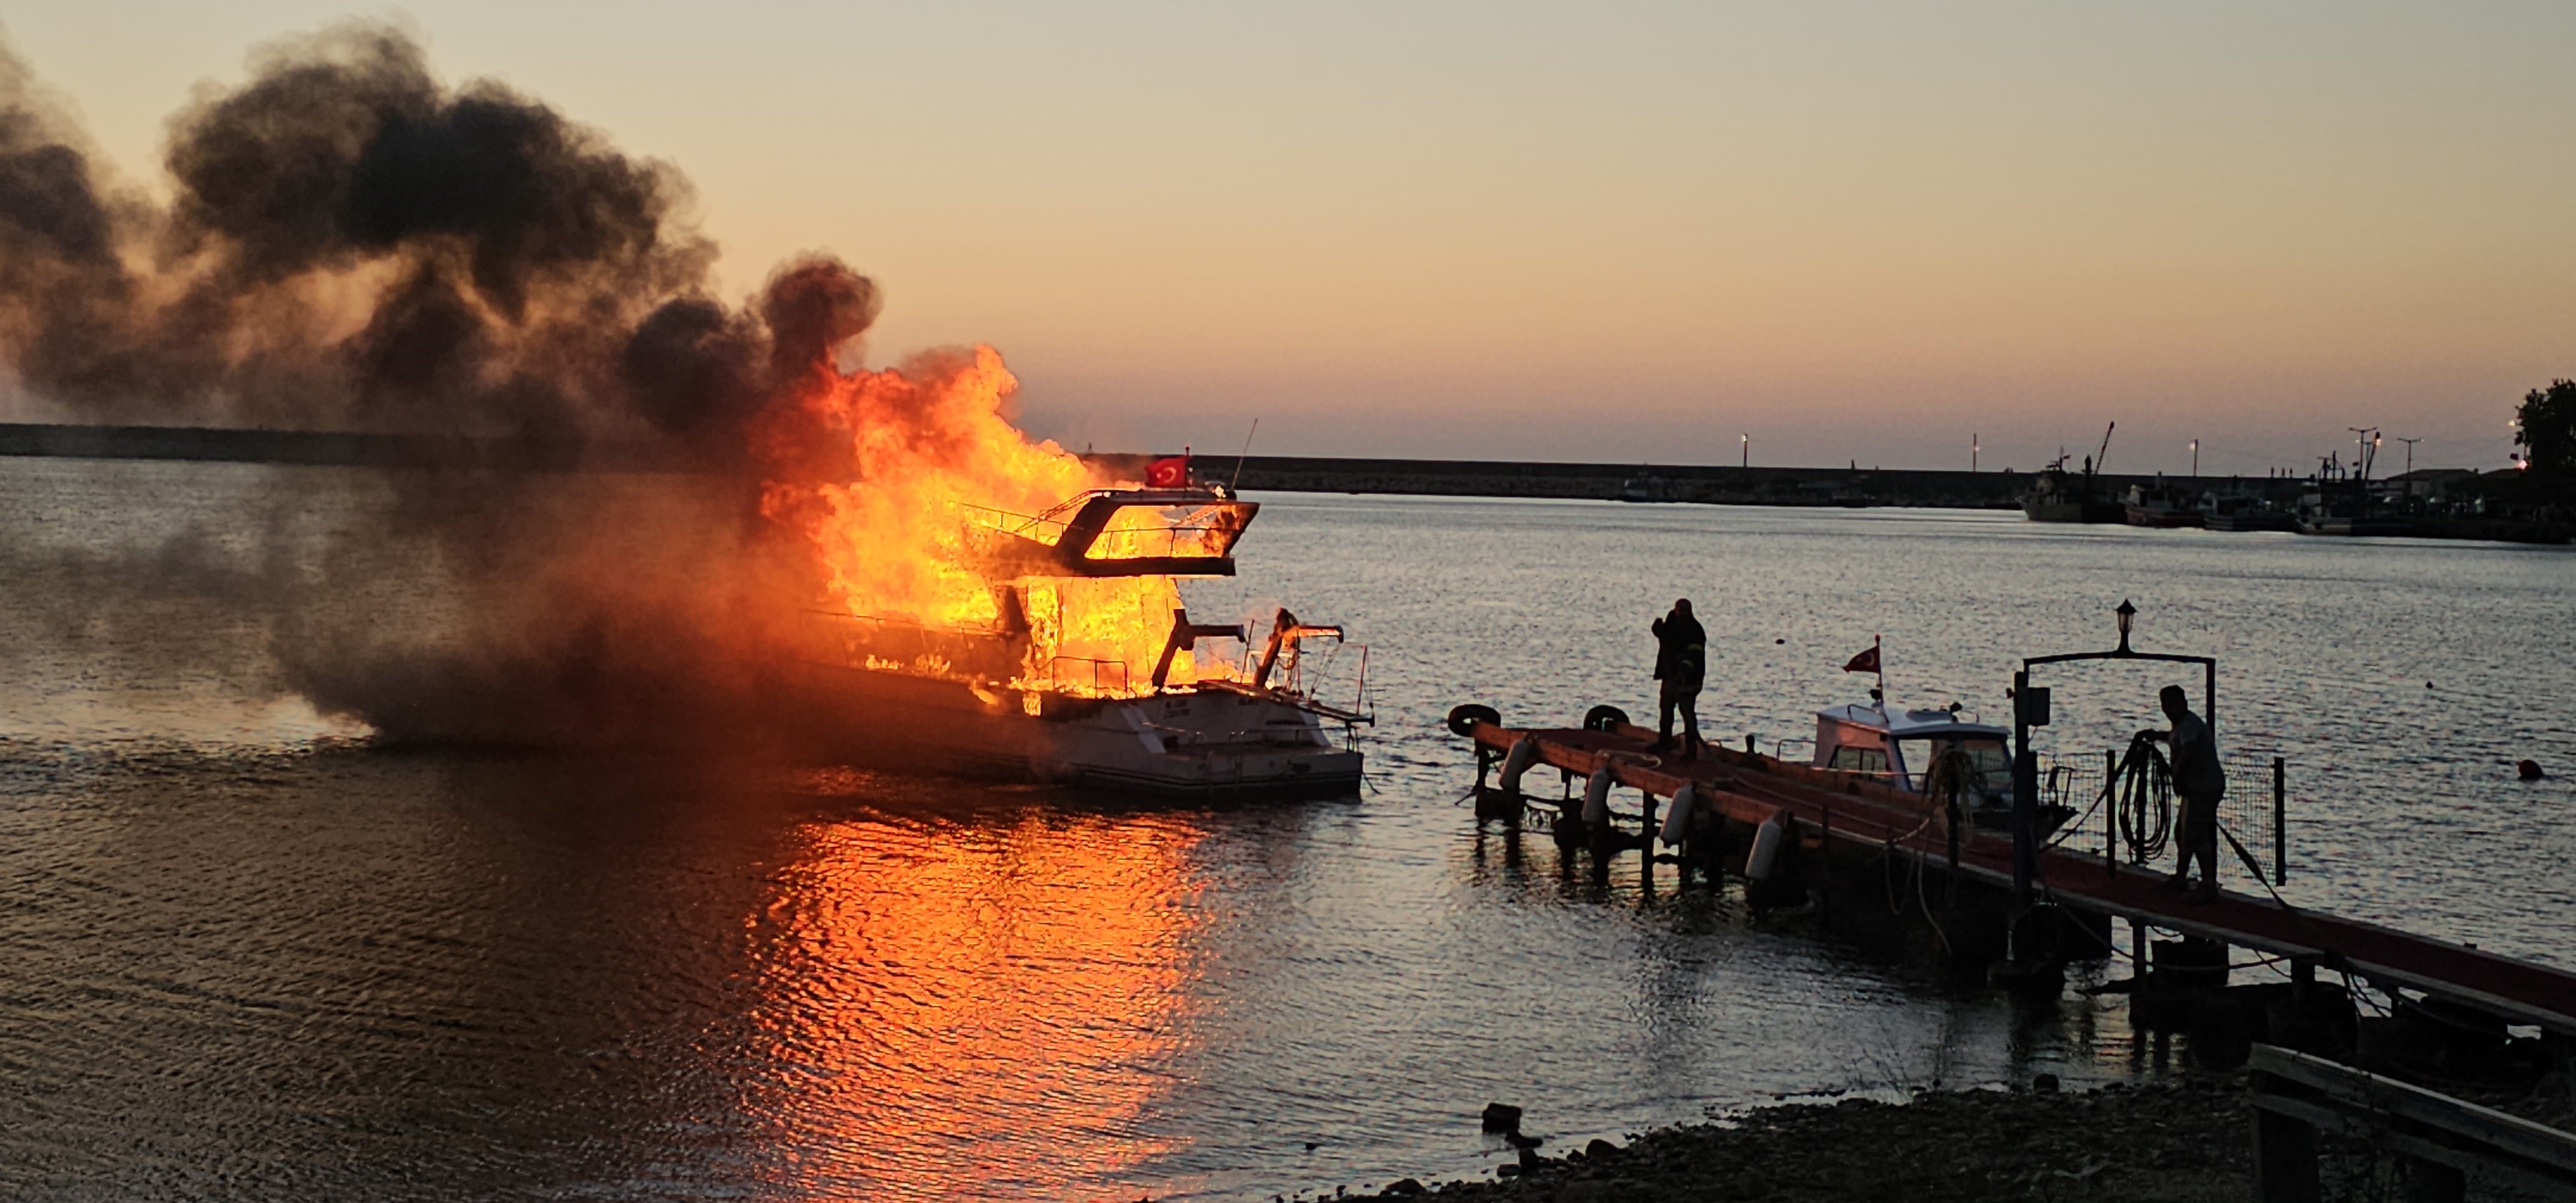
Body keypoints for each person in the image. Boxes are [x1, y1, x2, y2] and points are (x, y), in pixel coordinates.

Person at [2140, 685, 2226, 902]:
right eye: (2166, 705)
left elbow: (2189, 749)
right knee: (2184, 833)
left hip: (2203, 787)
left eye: (2173, 704)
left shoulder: (2189, 726)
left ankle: (2206, 885)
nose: (2169, 709)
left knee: (2195, 835)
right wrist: (2158, 735)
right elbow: (2177, 738)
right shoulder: (2182, 726)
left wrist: (2176, 774)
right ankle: (2182, 878)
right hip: (2196, 788)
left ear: (2183, 704)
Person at [1650, 599, 1706, 759]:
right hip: (1670, 676)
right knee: (1666, 709)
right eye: (1679, 610)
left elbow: (1695, 656)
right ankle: (1664, 742)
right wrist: (1657, 630)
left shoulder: (1695, 631)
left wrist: (1683, 673)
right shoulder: (1672, 624)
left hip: (1689, 680)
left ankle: (1691, 750)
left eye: (1684, 611)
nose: (1681, 614)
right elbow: (1667, 641)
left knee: (1687, 713)